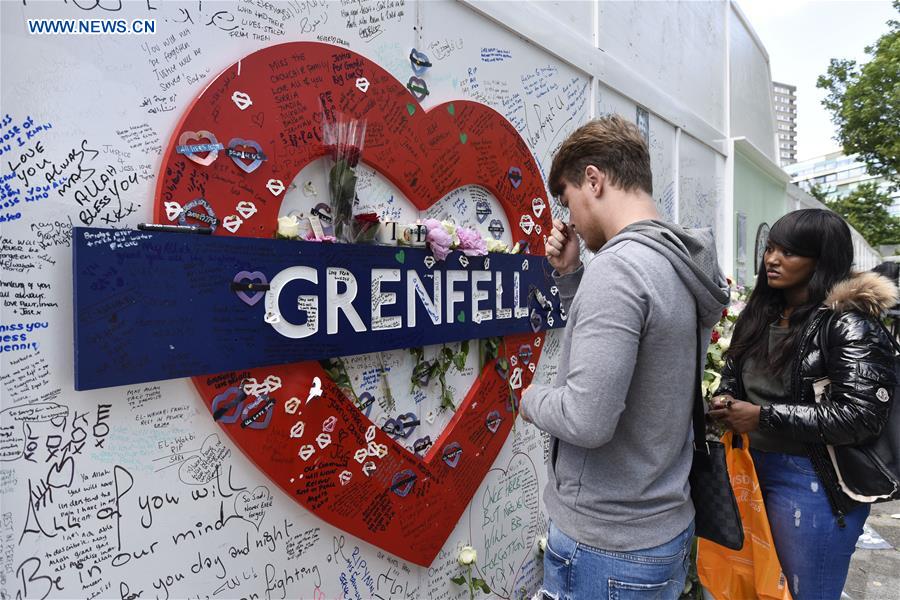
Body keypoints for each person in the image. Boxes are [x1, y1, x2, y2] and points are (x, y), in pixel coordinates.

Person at [519, 115, 729, 599]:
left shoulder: (618, 271)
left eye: (569, 198)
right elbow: (639, 357)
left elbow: (587, 419)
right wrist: (574, 276)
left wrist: (528, 399)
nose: (568, 218)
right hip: (662, 528)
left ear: (594, 179)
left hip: (608, 546)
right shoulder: (680, 261)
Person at [710, 209, 897, 600]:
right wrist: (726, 399)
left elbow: (860, 416)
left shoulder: (848, 323)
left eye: (790, 252)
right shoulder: (762, 314)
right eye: (771, 248)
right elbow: (734, 373)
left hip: (810, 479)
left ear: (822, 259)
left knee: (804, 593)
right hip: (748, 469)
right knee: (745, 589)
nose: (773, 259)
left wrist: (762, 416)